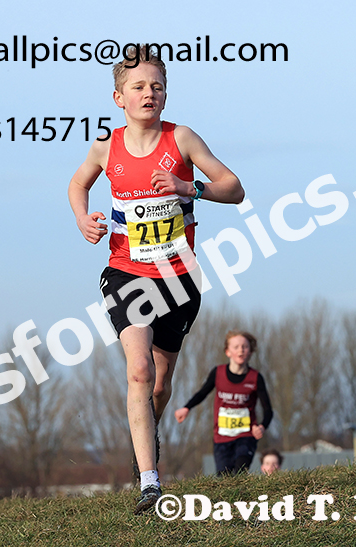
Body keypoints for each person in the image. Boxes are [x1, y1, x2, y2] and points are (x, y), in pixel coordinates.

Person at [68, 44, 244, 514]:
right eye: (139, 87)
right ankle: (150, 482)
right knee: (139, 370)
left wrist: (192, 188)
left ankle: (146, 437)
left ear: (166, 95)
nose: (150, 93)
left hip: (179, 277)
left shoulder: (182, 138)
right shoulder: (106, 147)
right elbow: (77, 183)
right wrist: (83, 218)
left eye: (157, 86)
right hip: (126, 273)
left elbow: (235, 187)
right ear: (118, 97)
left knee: (160, 382)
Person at [174, 330, 273, 476]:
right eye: (236, 347)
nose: (241, 350)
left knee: (239, 472)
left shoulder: (255, 378)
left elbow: (268, 410)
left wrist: (262, 427)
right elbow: (202, 393)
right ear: (228, 352)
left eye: (245, 347)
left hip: (245, 435)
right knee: (224, 478)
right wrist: (186, 408)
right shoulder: (218, 373)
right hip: (221, 437)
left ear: (250, 351)